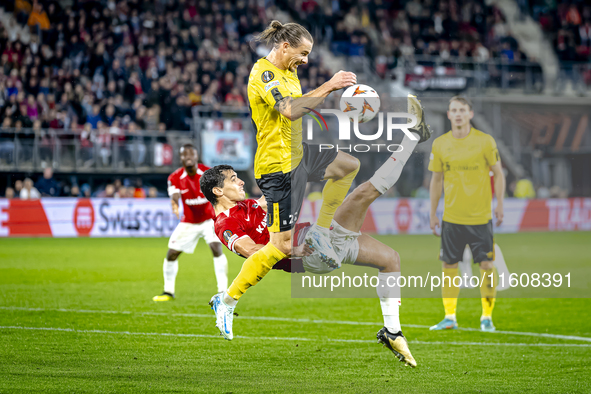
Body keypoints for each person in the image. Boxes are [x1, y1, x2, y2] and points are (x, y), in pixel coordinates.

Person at [205, 96, 432, 343]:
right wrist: (293, 249)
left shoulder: (247, 205)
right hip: (311, 252)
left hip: (318, 237)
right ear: (217, 191)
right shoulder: (225, 225)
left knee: (390, 257)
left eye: (238, 176)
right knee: (366, 192)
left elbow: (275, 194)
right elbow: (253, 251)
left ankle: (393, 332)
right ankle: (412, 137)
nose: (240, 181)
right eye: (233, 179)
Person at [209, 20, 362, 327]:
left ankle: (321, 229)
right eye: (302, 53)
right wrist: (330, 85)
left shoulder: (290, 71)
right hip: (278, 168)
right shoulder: (264, 74)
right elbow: (289, 110)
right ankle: (226, 300)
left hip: (299, 154)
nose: (305, 60)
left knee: (349, 166)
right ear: (284, 46)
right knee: (279, 246)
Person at [428, 96, 505, 332]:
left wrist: (500, 204)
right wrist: (432, 213)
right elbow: (436, 179)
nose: (458, 114)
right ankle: (449, 317)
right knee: (448, 267)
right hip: (451, 218)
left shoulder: (485, 141)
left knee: (487, 265)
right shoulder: (440, 144)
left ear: (470, 114)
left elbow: (499, 174)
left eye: (462, 110)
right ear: (449, 115)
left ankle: (487, 318)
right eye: (454, 110)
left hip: (481, 218)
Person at [152, 144, 228, 301]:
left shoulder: (207, 173)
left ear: (196, 156)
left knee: (216, 248)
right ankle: (168, 292)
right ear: (180, 158)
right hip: (189, 221)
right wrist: (174, 204)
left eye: (190, 154)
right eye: (184, 154)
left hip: (209, 219)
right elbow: (174, 195)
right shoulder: (174, 177)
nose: (187, 157)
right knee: (171, 253)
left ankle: (223, 291)